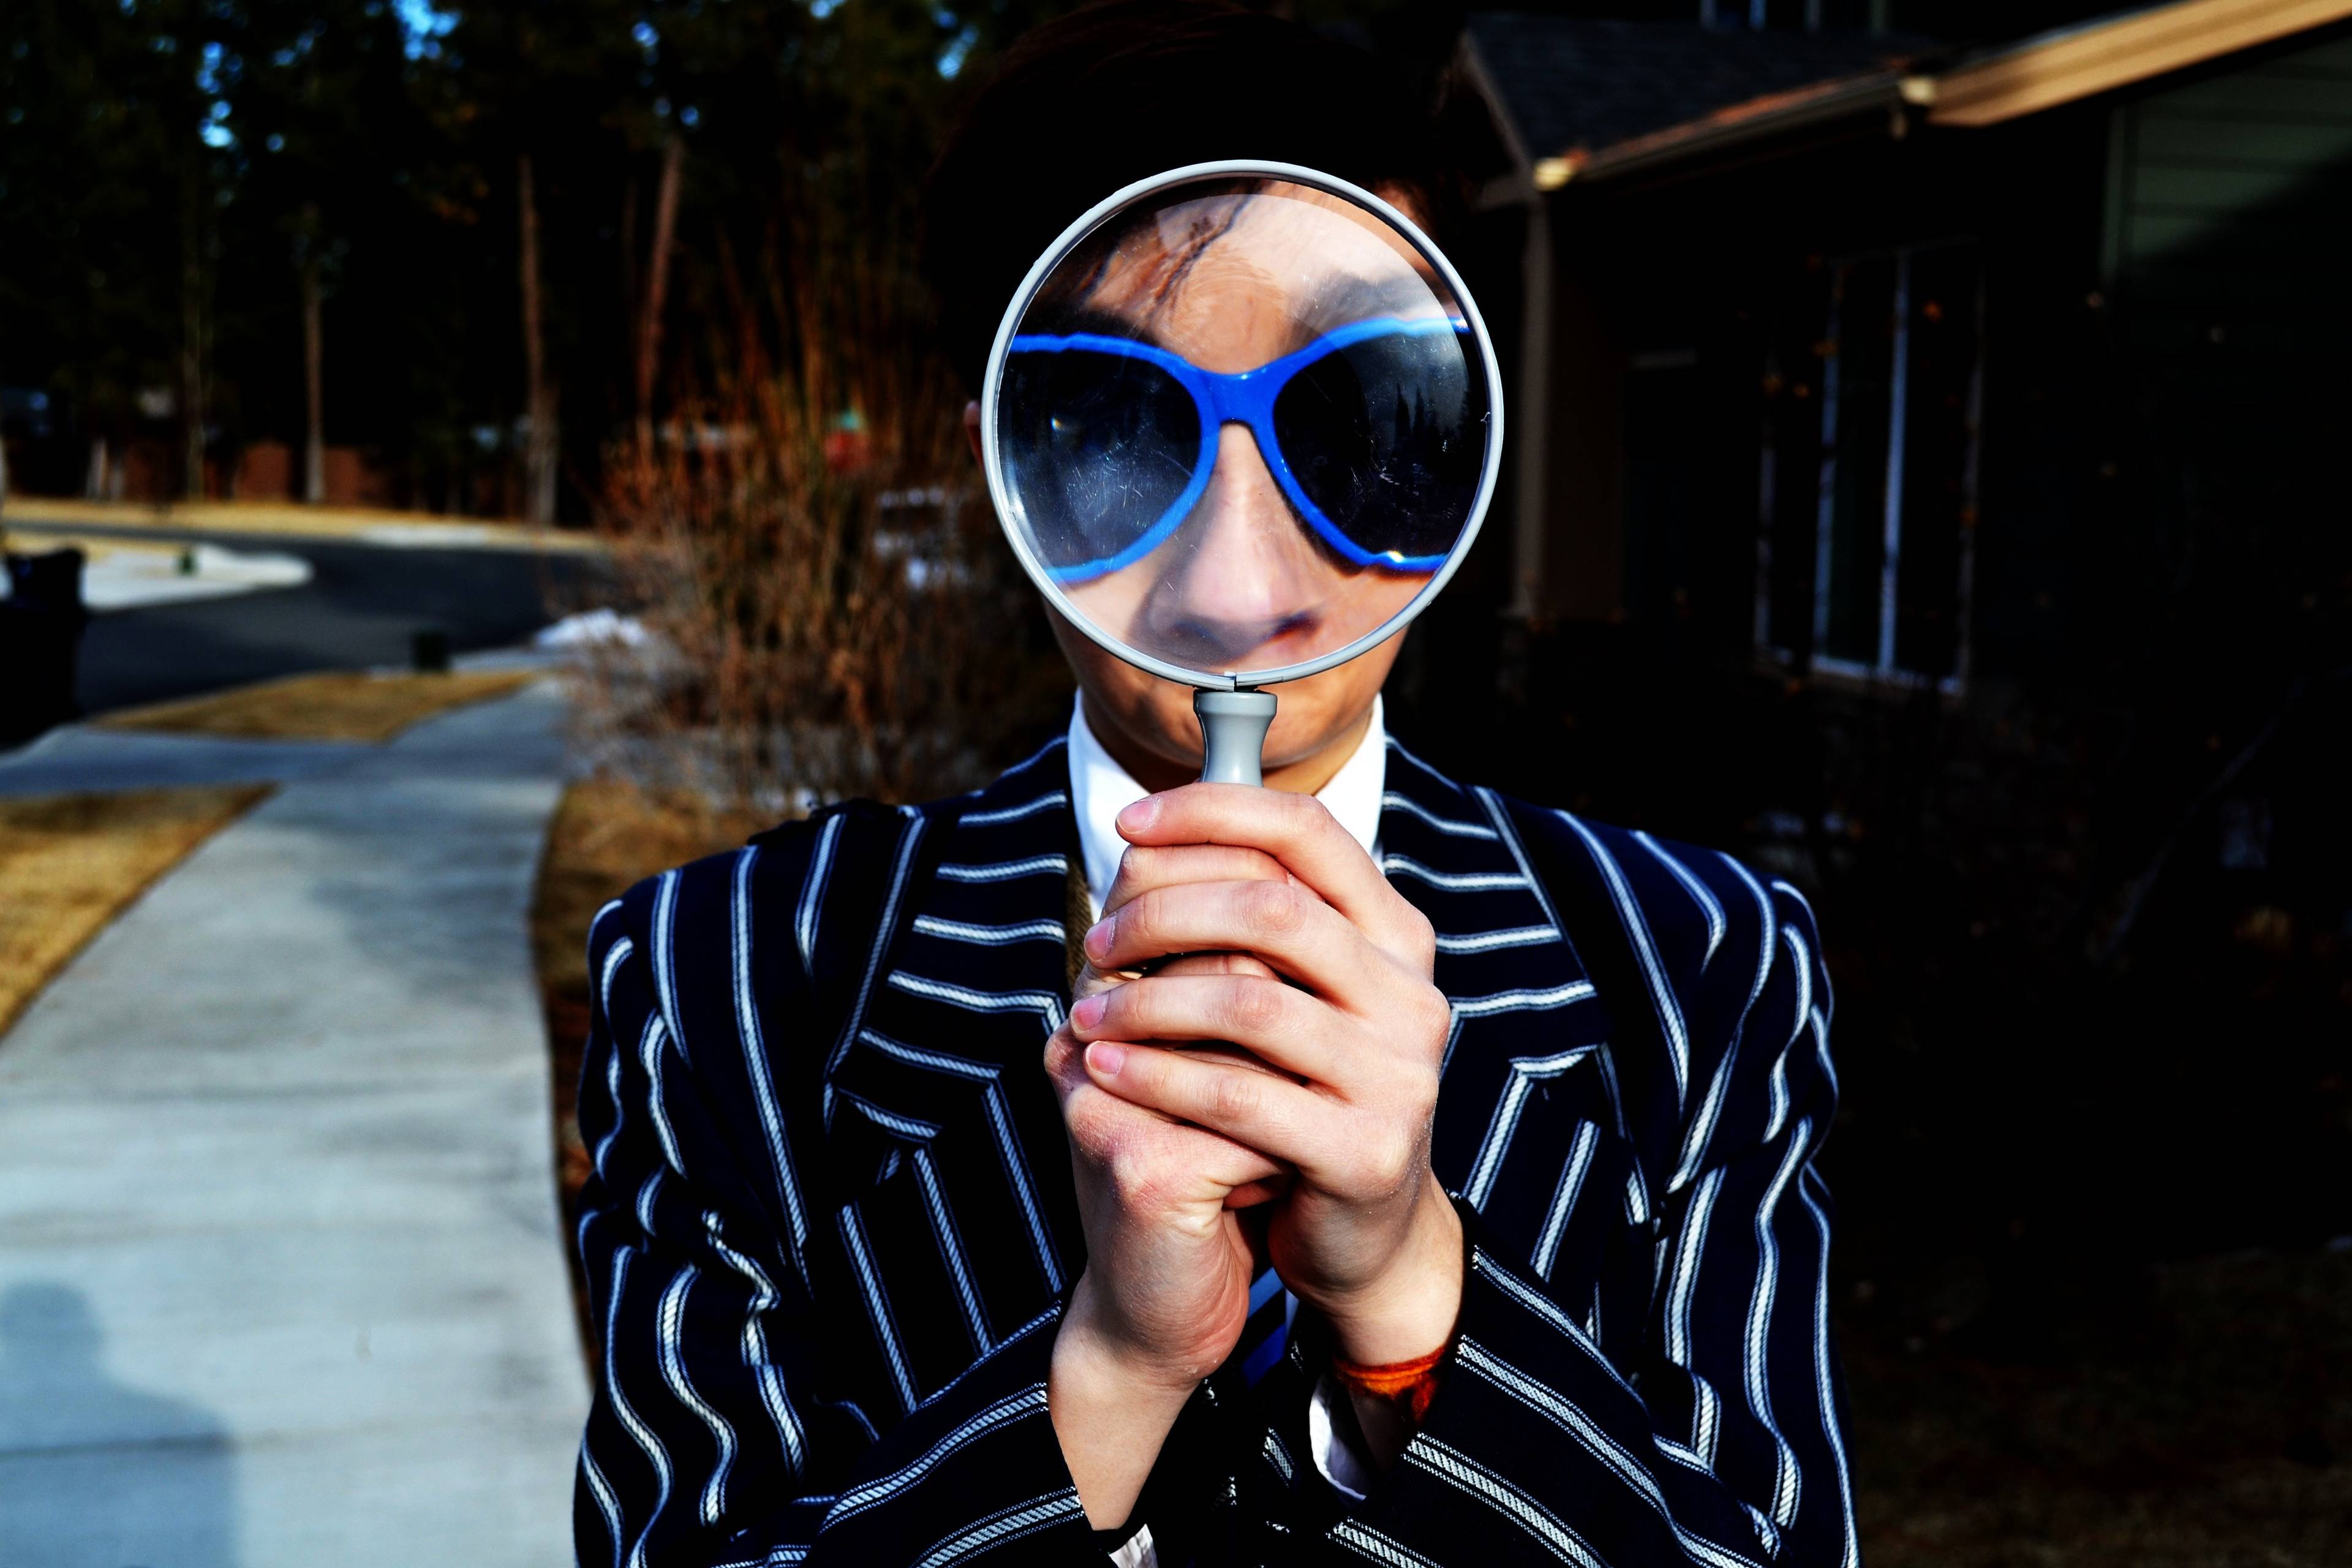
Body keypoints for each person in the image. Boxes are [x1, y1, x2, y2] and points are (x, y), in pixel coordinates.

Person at [572, 4, 1856, 1566]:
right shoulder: (727, 983)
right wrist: (1107, 1370)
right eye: (1119, 420)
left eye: (1352, 409)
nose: (1236, 585)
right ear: (1002, 456)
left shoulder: (1701, 969)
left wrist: (1408, 1301)